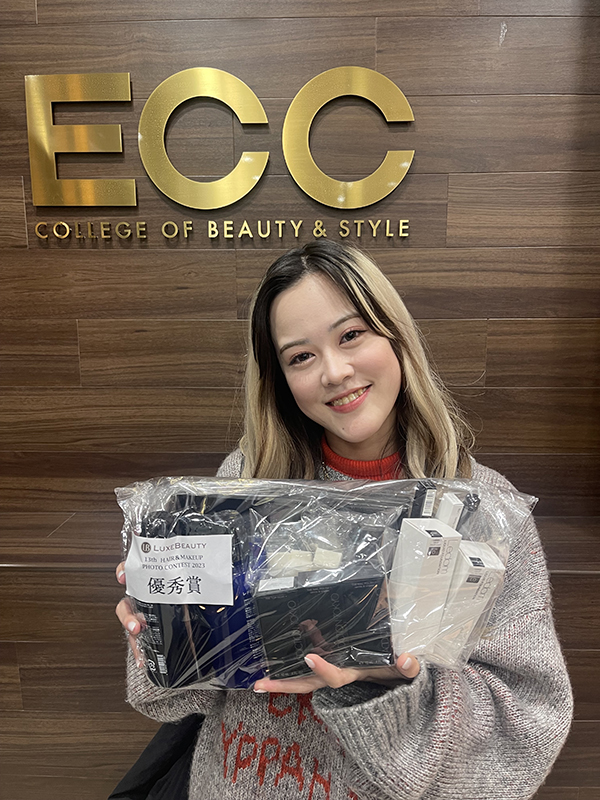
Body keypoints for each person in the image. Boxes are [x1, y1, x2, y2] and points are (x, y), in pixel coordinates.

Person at [115, 241, 572, 800]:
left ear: (395, 336)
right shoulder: (246, 481)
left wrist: (384, 682)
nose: (335, 371)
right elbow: (182, 696)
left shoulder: (482, 510)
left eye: (351, 334)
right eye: (300, 357)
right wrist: (163, 629)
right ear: (280, 379)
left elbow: (527, 724)